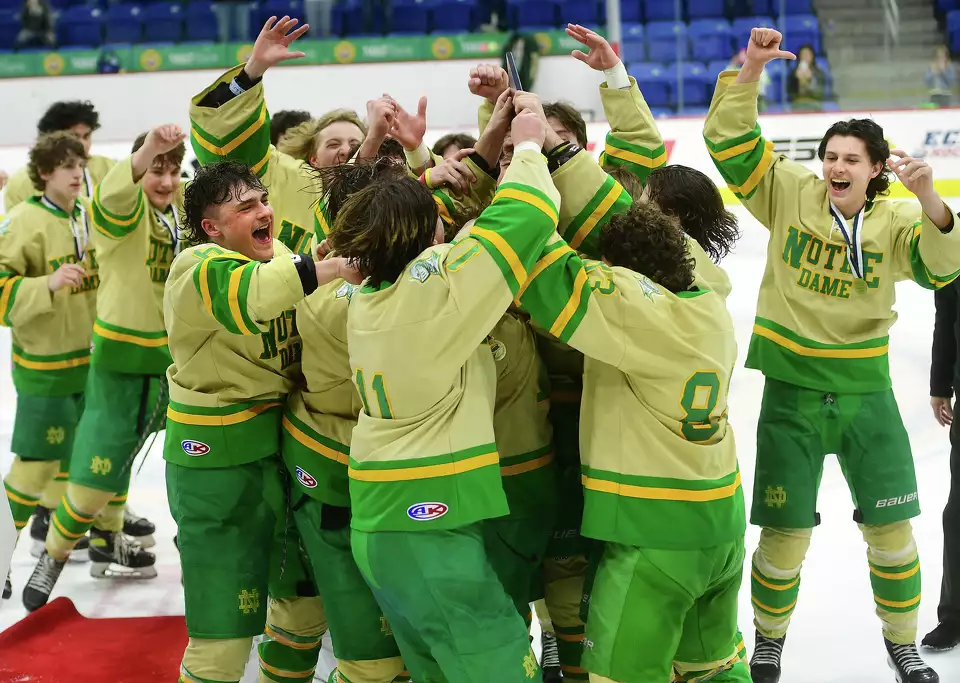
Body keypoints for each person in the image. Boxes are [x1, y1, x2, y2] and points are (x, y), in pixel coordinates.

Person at [704, 27, 960, 683]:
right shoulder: (790, 194)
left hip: (868, 395)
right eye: (830, 156)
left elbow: (941, 270)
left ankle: (903, 645)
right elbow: (729, 145)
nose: (837, 167)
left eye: (851, 158)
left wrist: (931, 197)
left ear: (877, 168)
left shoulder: (898, 222)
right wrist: (753, 67)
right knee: (785, 536)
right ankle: (768, 642)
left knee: (894, 533)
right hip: (790, 393)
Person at [331, 102, 555, 682]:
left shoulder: (372, 295)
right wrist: (528, 145)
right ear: (422, 233)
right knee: (504, 670)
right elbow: (526, 220)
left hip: (384, 524)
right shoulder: (433, 294)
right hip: (427, 526)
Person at [515, 192, 748, 683]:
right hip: (721, 526)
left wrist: (525, 173)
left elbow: (544, 275)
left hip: (654, 538)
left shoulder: (636, 316)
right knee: (713, 669)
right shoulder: (708, 298)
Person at [162, 160, 360, 683]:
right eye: (244, 207)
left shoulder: (281, 260)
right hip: (216, 467)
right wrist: (330, 268)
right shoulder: (198, 266)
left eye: (263, 200)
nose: (263, 212)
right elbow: (253, 296)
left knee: (301, 606)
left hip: (283, 453)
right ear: (211, 227)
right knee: (222, 639)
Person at [22, 125, 186, 611]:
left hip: (170, 368)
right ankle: (53, 553)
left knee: (143, 462)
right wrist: (149, 151)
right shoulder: (123, 213)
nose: (166, 179)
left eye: (174, 170)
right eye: (158, 170)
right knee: (97, 472)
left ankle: (109, 539)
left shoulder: (174, 216)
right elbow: (115, 195)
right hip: (121, 364)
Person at [0, 132, 98, 601]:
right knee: (33, 466)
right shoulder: (22, 221)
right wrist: (47, 283)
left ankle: (54, 541)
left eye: (79, 164)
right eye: (65, 166)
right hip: (45, 366)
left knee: (71, 457)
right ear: (43, 173)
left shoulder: (86, 215)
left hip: (88, 362)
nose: (76, 172)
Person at [926, 278, 960, 651]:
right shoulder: (958, 241)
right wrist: (940, 386)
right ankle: (954, 616)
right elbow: (947, 314)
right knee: (958, 514)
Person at [3, 100, 115, 212]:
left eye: (86, 136)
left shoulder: (108, 169)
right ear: (51, 139)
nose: (83, 144)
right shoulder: (20, 183)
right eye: (74, 137)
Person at [787, 44, 827, 112]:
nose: (805, 57)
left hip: (814, 103)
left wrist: (811, 80)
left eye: (808, 54)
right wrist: (797, 80)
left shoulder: (819, 72)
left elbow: (820, 92)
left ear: (812, 56)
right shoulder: (793, 72)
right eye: (803, 54)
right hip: (797, 103)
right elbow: (791, 93)